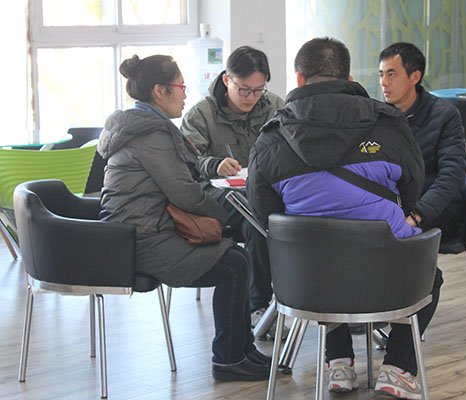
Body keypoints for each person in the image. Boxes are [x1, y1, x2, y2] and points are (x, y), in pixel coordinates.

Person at [247, 37, 430, 399]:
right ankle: (397, 369)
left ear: (299, 79)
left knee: (320, 256)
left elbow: (265, 214)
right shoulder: (388, 124)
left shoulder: (270, 138)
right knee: (430, 276)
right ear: (348, 78)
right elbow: (413, 191)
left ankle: (339, 364)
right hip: (390, 278)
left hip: (308, 284)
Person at [98, 54, 271, 382]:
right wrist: (224, 219)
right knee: (234, 264)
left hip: (137, 231)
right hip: (143, 239)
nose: (185, 94)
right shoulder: (152, 135)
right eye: (180, 87)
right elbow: (185, 193)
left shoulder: (142, 125)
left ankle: (241, 349)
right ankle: (229, 359)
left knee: (236, 258)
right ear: (159, 91)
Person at [181, 46, 284, 337]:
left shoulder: (275, 107)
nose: (251, 97)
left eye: (258, 90)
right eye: (244, 90)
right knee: (255, 216)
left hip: (264, 190)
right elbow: (187, 163)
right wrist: (213, 165)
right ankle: (259, 305)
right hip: (216, 194)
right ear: (227, 80)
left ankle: (313, 301)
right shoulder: (201, 115)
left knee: (297, 211)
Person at [378, 42, 466, 239]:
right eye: (381, 75)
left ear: (415, 77)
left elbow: (452, 175)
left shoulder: (445, 115)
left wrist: (416, 216)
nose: (384, 82)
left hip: (434, 210)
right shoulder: (379, 115)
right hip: (393, 206)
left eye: (391, 74)